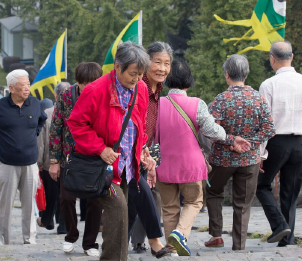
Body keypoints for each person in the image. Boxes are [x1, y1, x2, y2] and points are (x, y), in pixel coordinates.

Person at [67, 42, 156, 261]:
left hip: (128, 166)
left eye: (140, 74)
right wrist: (100, 148)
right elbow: (76, 124)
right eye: (132, 74)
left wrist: (142, 148)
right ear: (117, 66)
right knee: (119, 213)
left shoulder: (141, 89)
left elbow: (139, 124)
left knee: (122, 218)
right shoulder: (95, 90)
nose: (136, 79)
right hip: (102, 168)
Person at [156, 59, 250, 256]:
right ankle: (179, 234)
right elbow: (212, 131)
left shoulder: (156, 105)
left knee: (170, 208)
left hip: (163, 165)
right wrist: (231, 139)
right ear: (189, 81)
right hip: (190, 166)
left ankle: (172, 248)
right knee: (194, 202)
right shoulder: (197, 104)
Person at [205, 54, 275, 250]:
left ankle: (216, 235)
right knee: (243, 202)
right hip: (250, 160)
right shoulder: (258, 98)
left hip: (222, 160)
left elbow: (210, 129)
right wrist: (249, 144)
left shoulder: (221, 99)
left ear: (227, 74)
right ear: (246, 74)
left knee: (213, 191)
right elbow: (269, 128)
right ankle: (239, 244)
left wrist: (230, 142)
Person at [0, 69, 47, 245]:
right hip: (7, 163)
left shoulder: (35, 104)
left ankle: (29, 237)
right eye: (23, 85)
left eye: (28, 84)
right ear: (12, 88)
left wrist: (35, 133)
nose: (27, 88)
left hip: (30, 162)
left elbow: (42, 120)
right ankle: (2, 239)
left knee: (29, 204)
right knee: (5, 204)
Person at [49, 63, 105, 257]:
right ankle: (71, 234)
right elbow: (56, 128)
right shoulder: (66, 97)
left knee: (95, 202)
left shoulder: (104, 95)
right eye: (85, 84)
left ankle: (90, 242)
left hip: (96, 158)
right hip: (69, 158)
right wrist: (54, 161)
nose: (89, 87)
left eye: (93, 83)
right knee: (66, 198)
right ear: (78, 82)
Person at [257, 41, 302, 247]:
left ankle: (279, 225)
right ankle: (287, 239)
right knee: (289, 194)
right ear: (291, 57)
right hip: (300, 143)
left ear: (272, 59)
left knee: (261, 185)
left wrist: (260, 152)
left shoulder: (268, 85)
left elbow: (264, 123)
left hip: (277, 142)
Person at [127, 42, 171, 257]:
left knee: (131, 206)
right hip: (129, 153)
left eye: (167, 63)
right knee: (142, 195)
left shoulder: (158, 91)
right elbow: (133, 124)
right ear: (146, 62)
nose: (162, 68)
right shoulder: (137, 86)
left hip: (143, 154)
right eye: (157, 62)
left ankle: (114, 248)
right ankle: (154, 240)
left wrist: (150, 156)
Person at [37, 96, 67, 234]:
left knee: (51, 193)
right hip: (67, 160)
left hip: (49, 161)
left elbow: (41, 142)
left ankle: (48, 220)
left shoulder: (46, 113)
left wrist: (40, 162)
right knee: (64, 193)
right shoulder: (72, 110)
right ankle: (63, 224)